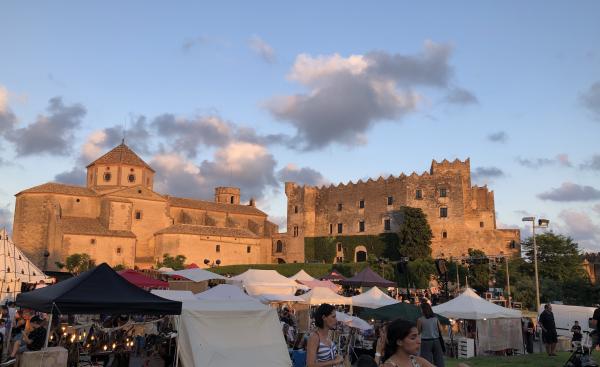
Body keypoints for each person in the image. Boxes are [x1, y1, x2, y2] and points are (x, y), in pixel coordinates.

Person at [416, 302, 445, 367]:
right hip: (436, 340)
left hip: (425, 341)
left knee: (426, 361)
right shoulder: (435, 318)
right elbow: (440, 329)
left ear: (423, 309)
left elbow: (418, 331)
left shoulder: (420, 320)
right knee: (439, 360)